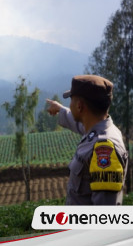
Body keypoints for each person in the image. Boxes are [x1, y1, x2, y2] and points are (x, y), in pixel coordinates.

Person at [46, 75, 128, 205]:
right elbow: (79, 124)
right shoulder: (99, 129)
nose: (70, 105)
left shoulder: (104, 148)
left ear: (79, 106)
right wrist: (60, 109)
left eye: (71, 100)